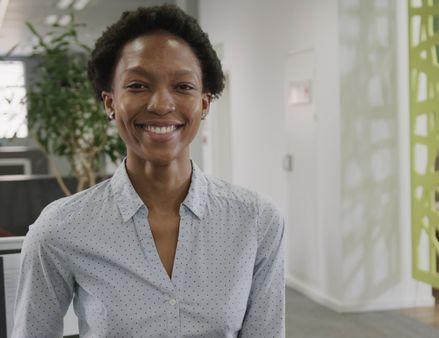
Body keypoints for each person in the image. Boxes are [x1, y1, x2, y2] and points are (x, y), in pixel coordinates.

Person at [12, 4, 284, 337]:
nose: (161, 104)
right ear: (110, 102)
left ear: (204, 103)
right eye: (138, 85)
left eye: (183, 86)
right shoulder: (60, 230)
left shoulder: (256, 221)